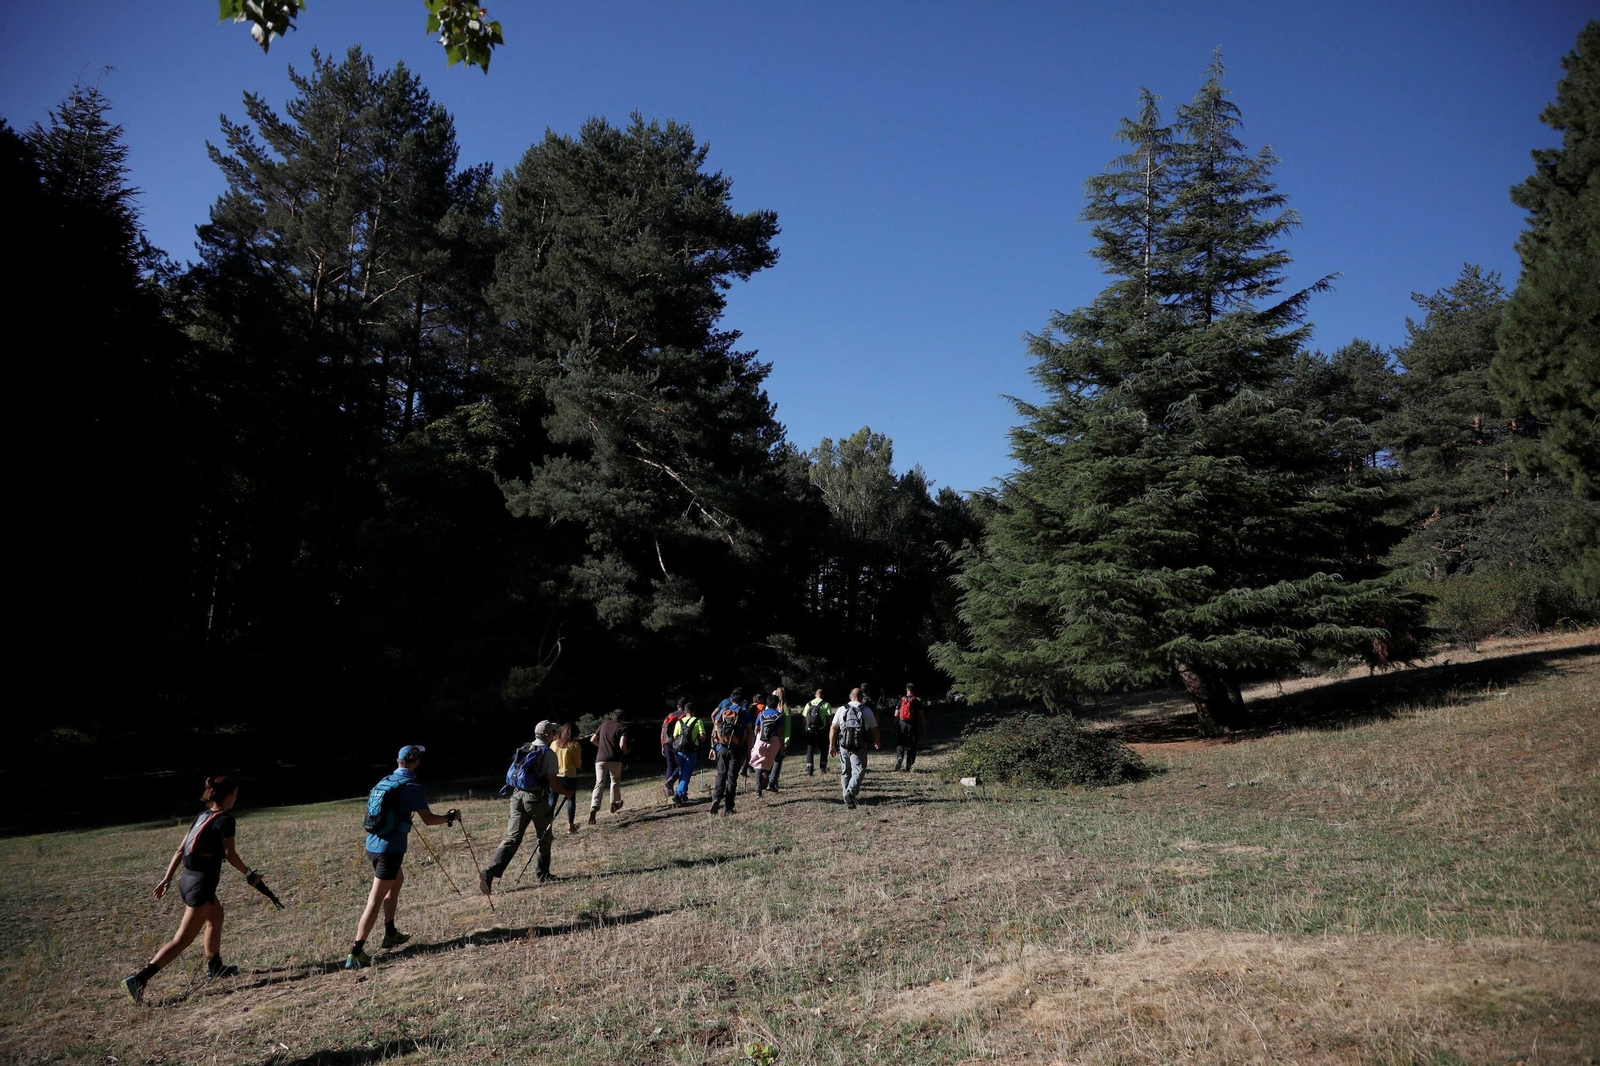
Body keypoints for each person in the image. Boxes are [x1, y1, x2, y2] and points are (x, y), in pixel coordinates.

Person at [121, 776, 263, 1003]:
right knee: (182, 939)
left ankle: (215, 967)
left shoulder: (202, 816)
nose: (237, 797)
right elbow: (229, 854)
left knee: (216, 917)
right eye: (235, 793)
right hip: (201, 884)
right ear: (228, 796)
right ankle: (139, 978)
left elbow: (180, 850)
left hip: (187, 880)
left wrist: (167, 879)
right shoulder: (225, 819)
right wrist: (249, 873)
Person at [344, 746, 460, 970]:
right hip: (390, 850)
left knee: (397, 882)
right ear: (416, 763)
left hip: (373, 845)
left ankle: (390, 933)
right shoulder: (411, 786)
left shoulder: (385, 781)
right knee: (375, 899)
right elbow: (428, 820)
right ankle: (356, 952)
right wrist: (450, 818)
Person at [480, 722, 573, 894]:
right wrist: (567, 792)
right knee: (544, 836)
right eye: (554, 732)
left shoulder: (525, 748)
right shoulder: (549, 754)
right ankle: (542, 873)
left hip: (516, 797)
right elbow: (553, 783)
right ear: (550, 735)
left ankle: (491, 871)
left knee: (512, 838)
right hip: (536, 799)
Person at [829, 688, 881, 810]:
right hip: (859, 745)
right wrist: (877, 741)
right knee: (859, 770)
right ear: (861, 697)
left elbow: (833, 727)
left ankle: (846, 796)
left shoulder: (842, 709)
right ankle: (850, 793)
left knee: (845, 771)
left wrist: (831, 745)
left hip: (843, 745)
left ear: (850, 696)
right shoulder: (867, 710)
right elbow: (874, 729)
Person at [709, 687, 748, 815]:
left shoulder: (724, 711)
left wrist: (713, 746)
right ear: (741, 701)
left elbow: (715, 728)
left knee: (721, 774)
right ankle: (729, 807)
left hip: (722, 747)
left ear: (731, 700)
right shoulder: (744, 713)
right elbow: (750, 734)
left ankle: (716, 798)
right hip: (736, 749)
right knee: (732, 778)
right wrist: (749, 750)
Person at [588, 709, 630, 822]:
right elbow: (622, 744)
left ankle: (594, 807)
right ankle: (614, 803)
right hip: (615, 759)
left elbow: (592, 739)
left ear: (612, 717)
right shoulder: (622, 727)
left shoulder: (603, 725)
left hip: (600, 759)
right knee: (615, 780)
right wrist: (625, 752)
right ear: (622, 719)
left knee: (599, 783)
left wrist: (602, 747)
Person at [670, 701, 707, 804]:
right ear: (693, 711)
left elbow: (675, 736)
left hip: (680, 751)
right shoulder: (698, 721)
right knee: (687, 773)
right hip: (692, 751)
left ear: (685, 711)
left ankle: (683, 795)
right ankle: (678, 794)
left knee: (682, 772)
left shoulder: (679, 722)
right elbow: (703, 736)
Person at [750, 692, 787, 797]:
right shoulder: (779, 715)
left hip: (761, 740)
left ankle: (758, 790)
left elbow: (756, 729)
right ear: (777, 703)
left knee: (758, 764)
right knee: (778, 759)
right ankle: (772, 782)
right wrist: (782, 745)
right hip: (774, 741)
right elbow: (781, 732)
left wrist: (755, 742)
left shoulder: (761, 714)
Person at [550, 722, 583, 833]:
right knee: (570, 800)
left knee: (552, 801)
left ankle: (547, 827)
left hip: (554, 775)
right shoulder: (574, 746)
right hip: (568, 776)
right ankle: (570, 826)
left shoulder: (554, 744)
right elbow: (578, 764)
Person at [891, 683, 928, 772]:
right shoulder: (916, 701)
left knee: (900, 743)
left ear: (907, 690)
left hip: (902, 724)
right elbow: (922, 716)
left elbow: (896, 715)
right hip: (913, 725)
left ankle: (899, 757)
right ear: (914, 691)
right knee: (912, 745)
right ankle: (908, 766)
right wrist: (924, 729)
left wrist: (894, 726)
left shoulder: (901, 700)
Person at [802, 688, 833, 776]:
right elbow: (829, 718)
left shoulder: (808, 704)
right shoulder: (826, 704)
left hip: (810, 730)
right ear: (823, 695)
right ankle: (823, 767)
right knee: (823, 748)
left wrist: (806, 728)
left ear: (815, 695)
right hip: (821, 729)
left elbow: (804, 718)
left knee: (810, 748)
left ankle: (809, 769)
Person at [661, 698, 687, 799]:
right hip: (678, 744)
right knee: (681, 766)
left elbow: (663, 730)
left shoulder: (669, 715)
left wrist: (662, 745)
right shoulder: (684, 716)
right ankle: (673, 783)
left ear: (677, 706)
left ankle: (668, 788)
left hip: (667, 743)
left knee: (670, 766)